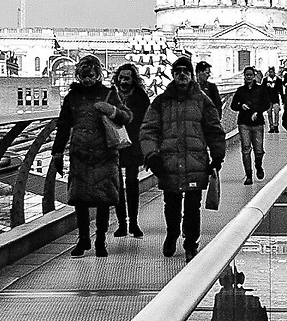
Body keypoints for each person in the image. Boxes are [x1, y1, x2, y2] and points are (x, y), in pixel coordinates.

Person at [136, 55, 226, 258]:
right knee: (171, 203)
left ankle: (191, 242)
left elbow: (214, 129)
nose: (182, 75)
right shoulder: (161, 102)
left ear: (191, 75)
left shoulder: (203, 100)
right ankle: (172, 234)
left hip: (195, 161)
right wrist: (151, 154)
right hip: (169, 161)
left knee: (193, 205)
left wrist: (217, 157)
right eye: (178, 72)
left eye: (186, 71)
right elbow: (149, 129)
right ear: (173, 75)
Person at [51, 57, 126, 257]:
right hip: (80, 154)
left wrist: (111, 110)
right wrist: (57, 152)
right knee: (80, 200)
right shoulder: (72, 97)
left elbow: (126, 117)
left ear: (98, 75)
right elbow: (63, 125)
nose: (87, 80)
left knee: (103, 200)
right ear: (78, 76)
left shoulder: (109, 94)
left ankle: (100, 240)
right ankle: (84, 239)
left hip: (105, 154)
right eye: (83, 76)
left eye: (91, 76)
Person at [109, 62, 150, 237]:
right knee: (117, 184)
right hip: (114, 144)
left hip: (133, 144)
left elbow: (147, 120)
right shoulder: (111, 95)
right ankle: (122, 224)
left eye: (127, 77)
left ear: (133, 79)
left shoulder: (141, 96)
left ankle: (133, 222)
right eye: (121, 77)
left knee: (132, 182)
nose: (124, 81)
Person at [230, 68, 278, 183]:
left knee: (259, 150)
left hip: (258, 123)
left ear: (254, 76)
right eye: (247, 75)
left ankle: (258, 165)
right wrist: (241, 106)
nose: (249, 77)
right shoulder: (240, 91)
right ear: (244, 76)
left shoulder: (261, 89)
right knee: (246, 149)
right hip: (243, 123)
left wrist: (258, 112)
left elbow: (266, 104)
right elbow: (233, 106)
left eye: (251, 75)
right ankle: (249, 175)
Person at [194, 62, 223, 211]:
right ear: (198, 72)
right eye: (206, 72)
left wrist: (214, 122)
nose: (208, 75)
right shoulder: (190, 88)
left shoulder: (211, 88)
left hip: (205, 127)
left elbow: (217, 105)